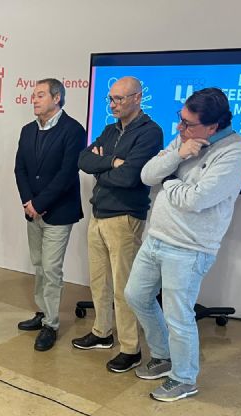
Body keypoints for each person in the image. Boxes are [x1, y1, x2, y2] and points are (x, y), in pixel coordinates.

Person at [125, 88, 241, 401]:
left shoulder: (235, 152)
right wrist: (178, 155)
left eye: (188, 124)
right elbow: (147, 175)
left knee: (178, 315)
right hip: (157, 237)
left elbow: (196, 199)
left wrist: (169, 181)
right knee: (136, 295)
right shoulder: (184, 139)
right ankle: (163, 357)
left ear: (213, 126)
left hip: (189, 248)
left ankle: (184, 378)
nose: (180, 127)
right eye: (180, 120)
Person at [73, 76, 163, 372]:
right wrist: (112, 162)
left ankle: (130, 348)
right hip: (99, 213)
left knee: (124, 288)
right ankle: (102, 332)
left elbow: (130, 177)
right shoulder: (110, 130)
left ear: (137, 98)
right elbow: (83, 160)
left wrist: (103, 167)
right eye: (110, 99)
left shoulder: (150, 132)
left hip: (125, 217)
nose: (113, 104)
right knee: (99, 280)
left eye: (119, 99)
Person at [14, 79, 86, 351]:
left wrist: (40, 203)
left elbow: (67, 174)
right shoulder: (28, 130)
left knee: (52, 268)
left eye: (40, 95)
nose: (34, 99)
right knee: (39, 264)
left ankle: (51, 325)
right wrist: (28, 202)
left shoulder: (73, 130)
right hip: (32, 211)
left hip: (59, 211)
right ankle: (42, 312)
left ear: (57, 98)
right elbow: (20, 169)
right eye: (33, 95)